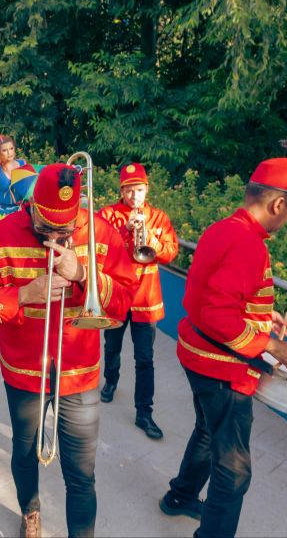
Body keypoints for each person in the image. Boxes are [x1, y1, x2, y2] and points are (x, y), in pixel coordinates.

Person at [0, 163, 139, 537]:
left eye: (66, 229)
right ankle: (30, 509)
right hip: (24, 370)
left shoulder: (100, 232)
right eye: (47, 228)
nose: (58, 237)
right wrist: (22, 294)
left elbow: (123, 302)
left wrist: (84, 274)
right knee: (24, 452)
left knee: (81, 471)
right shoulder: (0, 236)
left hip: (81, 372)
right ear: (31, 206)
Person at [159, 157, 287, 538]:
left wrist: (263, 315)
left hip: (197, 354)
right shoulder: (248, 244)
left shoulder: (225, 229)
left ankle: (180, 497)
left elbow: (219, 294)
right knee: (234, 471)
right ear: (278, 204)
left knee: (208, 432)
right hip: (221, 370)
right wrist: (273, 343)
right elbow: (219, 315)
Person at [98, 163, 179, 440]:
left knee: (145, 359)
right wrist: (123, 232)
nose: (135, 196)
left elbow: (171, 252)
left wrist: (154, 244)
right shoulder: (108, 214)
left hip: (146, 297)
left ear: (147, 189)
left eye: (139, 190)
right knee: (112, 347)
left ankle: (144, 413)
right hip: (118, 294)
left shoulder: (158, 217)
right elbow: (99, 249)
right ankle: (110, 380)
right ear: (121, 190)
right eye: (129, 190)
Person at [0, 135, 27, 216]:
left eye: (11, 149)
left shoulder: (22, 163)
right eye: (4, 150)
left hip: (22, 209)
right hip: (3, 213)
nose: (9, 153)